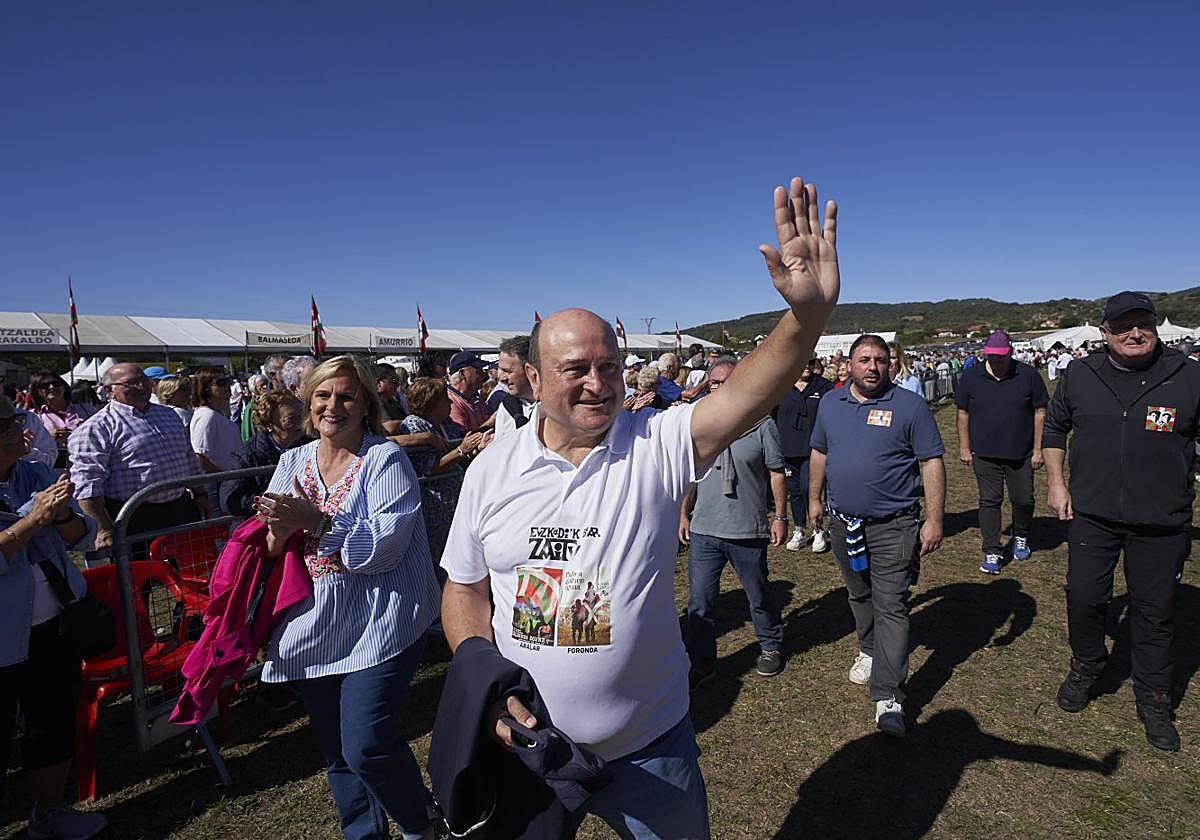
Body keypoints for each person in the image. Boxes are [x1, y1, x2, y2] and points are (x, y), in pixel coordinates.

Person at [439, 175, 841, 838]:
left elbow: (744, 394)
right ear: (534, 381)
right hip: (528, 751)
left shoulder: (655, 444)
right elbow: (464, 587)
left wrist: (808, 316)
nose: (599, 383)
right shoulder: (492, 470)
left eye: (609, 365)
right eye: (576, 370)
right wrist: (486, 683)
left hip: (649, 748)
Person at [252, 355, 442, 839]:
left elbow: (382, 551)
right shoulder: (291, 461)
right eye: (323, 395)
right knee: (337, 750)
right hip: (314, 621)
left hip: (383, 618)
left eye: (346, 396)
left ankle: (421, 824)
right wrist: (277, 530)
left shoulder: (383, 459)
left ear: (365, 405)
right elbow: (272, 546)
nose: (332, 405)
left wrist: (313, 521)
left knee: (366, 744)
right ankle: (364, 832)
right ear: (308, 401)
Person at [1043, 291, 1200, 752]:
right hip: (1093, 514)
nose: (1136, 333)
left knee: (1154, 614)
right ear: (1104, 332)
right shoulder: (1081, 374)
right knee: (1086, 597)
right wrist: (1056, 483)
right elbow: (1055, 428)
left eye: (1143, 324)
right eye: (1124, 326)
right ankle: (1087, 664)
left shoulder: (1188, 375)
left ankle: (1153, 698)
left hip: (1162, 520)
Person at [808, 334, 946, 738]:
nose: (873, 366)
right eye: (864, 359)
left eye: (881, 360)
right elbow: (819, 452)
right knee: (859, 593)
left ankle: (888, 694)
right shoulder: (832, 403)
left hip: (894, 526)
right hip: (843, 522)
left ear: (892, 364)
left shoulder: (910, 405)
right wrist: (814, 499)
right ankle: (869, 648)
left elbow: (931, 461)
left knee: (892, 605)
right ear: (848, 364)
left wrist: (935, 519)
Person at [0, 395, 108, 839]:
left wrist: (61, 514)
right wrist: (33, 519)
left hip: (53, 627)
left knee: (52, 722)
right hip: (4, 639)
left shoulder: (35, 473)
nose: (22, 427)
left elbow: (81, 537)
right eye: (11, 420)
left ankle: (49, 813)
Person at [680, 356, 788, 685]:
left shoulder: (761, 424)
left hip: (747, 529)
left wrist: (780, 516)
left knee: (758, 594)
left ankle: (770, 646)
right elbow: (688, 476)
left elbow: (776, 473)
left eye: (728, 382)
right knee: (700, 602)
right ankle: (701, 663)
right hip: (704, 530)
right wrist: (683, 513)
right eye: (715, 383)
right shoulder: (696, 424)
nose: (720, 389)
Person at [68, 363, 210, 554]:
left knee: (190, 568)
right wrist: (103, 527)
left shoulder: (168, 415)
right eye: (131, 383)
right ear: (109, 390)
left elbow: (188, 457)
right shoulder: (95, 429)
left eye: (143, 380)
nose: (141, 387)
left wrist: (200, 494)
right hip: (134, 516)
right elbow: (87, 486)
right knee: (140, 577)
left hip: (180, 507)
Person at [955, 330, 1048, 575]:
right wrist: (964, 446)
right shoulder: (971, 376)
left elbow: (1040, 411)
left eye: (1001, 356)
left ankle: (1021, 534)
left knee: (1024, 499)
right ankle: (992, 550)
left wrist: (1038, 449)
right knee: (989, 501)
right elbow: (962, 411)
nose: (996, 361)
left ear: (1010, 353)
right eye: (992, 356)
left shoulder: (1027, 375)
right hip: (984, 453)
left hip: (1021, 453)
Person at [398, 378, 486, 566]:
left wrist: (474, 447)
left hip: (452, 499)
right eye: (445, 399)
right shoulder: (414, 426)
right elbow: (428, 467)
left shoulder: (445, 423)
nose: (450, 403)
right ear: (431, 402)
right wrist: (461, 450)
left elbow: (460, 448)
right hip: (433, 504)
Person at [220, 390, 310, 517]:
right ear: (269, 424)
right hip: (262, 526)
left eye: (302, 415)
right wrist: (271, 501)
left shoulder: (310, 445)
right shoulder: (246, 457)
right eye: (291, 419)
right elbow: (231, 500)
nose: (301, 423)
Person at [775, 357, 833, 552]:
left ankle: (818, 529)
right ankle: (799, 529)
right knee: (795, 491)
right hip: (788, 448)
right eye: (802, 362)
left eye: (810, 362)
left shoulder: (823, 386)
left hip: (814, 449)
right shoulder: (781, 386)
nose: (806, 366)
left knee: (810, 488)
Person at [29, 372, 96, 470]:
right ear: (38, 392)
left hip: (87, 467)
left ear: (64, 387)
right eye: (45, 386)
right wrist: (48, 437)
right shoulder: (33, 417)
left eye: (56, 383)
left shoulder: (87, 410)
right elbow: (28, 448)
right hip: (54, 473)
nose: (51, 387)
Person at [190, 370, 244, 475]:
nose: (227, 386)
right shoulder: (206, 416)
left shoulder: (217, 414)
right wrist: (223, 477)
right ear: (206, 389)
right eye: (220, 383)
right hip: (219, 482)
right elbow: (199, 456)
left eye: (228, 382)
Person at [493, 335, 537, 439]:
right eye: (500, 370)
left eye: (507, 371)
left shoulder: (554, 407)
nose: (502, 378)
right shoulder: (507, 406)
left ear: (530, 370)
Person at [445, 352, 491, 434]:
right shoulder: (450, 401)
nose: (484, 375)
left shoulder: (475, 400)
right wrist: (491, 422)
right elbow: (465, 439)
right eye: (478, 371)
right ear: (462, 373)